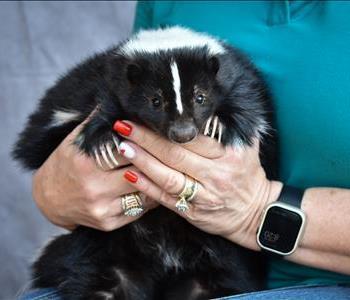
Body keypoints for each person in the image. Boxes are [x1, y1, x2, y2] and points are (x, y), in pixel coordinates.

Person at [21, 1, 350, 299]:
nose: (182, 128)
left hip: (302, 276)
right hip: (153, 257)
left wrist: (255, 210)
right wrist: (53, 191)